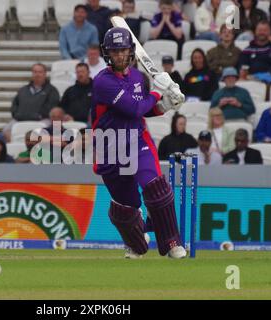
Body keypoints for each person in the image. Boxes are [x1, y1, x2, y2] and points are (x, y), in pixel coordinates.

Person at [91, 27, 187, 259]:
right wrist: (157, 91)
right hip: (110, 148)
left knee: (156, 187)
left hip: (137, 140)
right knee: (126, 209)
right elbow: (133, 108)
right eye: (115, 52)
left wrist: (166, 105)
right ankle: (136, 241)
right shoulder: (102, 82)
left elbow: (144, 110)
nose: (120, 56)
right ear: (108, 54)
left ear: (131, 51)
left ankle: (172, 242)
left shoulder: (137, 77)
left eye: (123, 50)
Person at [6, 63, 60, 140]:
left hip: (42, 120)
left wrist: (37, 116)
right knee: (6, 130)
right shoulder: (23, 90)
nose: (37, 74)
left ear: (45, 74)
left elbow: (52, 107)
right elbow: (14, 106)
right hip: (21, 119)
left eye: (40, 72)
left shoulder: (52, 91)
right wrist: (18, 115)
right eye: (35, 72)